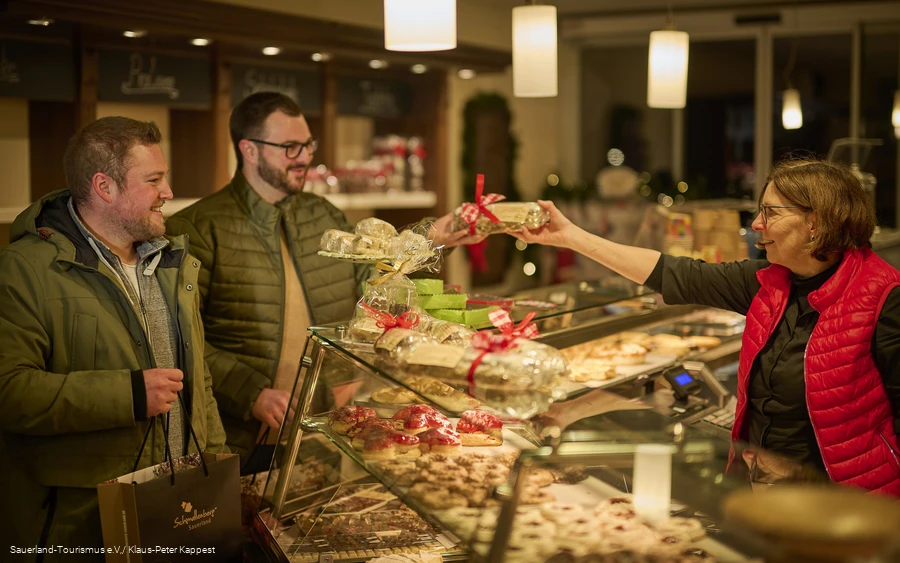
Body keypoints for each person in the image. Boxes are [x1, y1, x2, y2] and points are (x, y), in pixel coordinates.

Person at [515, 158, 900, 496]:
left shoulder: (884, 297)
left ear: (814, 223)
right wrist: (571, 238)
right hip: (763, 490)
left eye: (771, 212)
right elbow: (674, 273)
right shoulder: (770, 281)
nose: (756, 224)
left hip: (844, 508)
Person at [165, 92, 481, 466]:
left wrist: (432, 239)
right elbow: (179, 338)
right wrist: (251, 393)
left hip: (326, 427)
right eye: (290, 147)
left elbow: (375, 286)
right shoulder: (198, 226)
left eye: (308, 144)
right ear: (249, 150)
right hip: (239, 438)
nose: (305, 157)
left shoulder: (326, 216)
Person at [0, 117, 229, 559]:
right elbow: (9, 391)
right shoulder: (22, 270)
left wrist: (216, 468)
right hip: (81, 523)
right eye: (154, 180)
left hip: (178, 510)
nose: (169, 192)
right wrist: (127, 393)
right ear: (105, 187)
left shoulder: (173, 261)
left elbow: (198, 383)